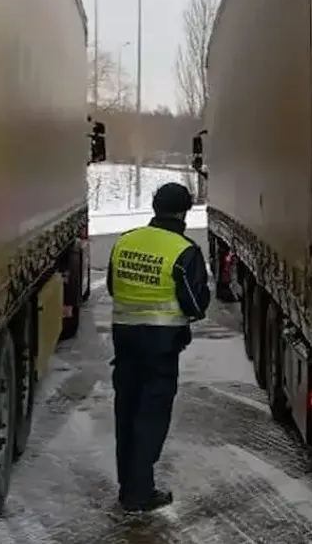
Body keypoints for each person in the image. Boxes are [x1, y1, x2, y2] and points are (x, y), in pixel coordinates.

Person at [107, 181, 211, 512]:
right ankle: (140, 491)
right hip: (161, 348)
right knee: (150, 418)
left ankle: (127, 487)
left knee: (126, 412)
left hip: (124, 341)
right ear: (184, 212)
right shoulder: (184, 251)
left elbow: (112, 285)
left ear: (154, 206)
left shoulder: (125, 242)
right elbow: (195, 304)